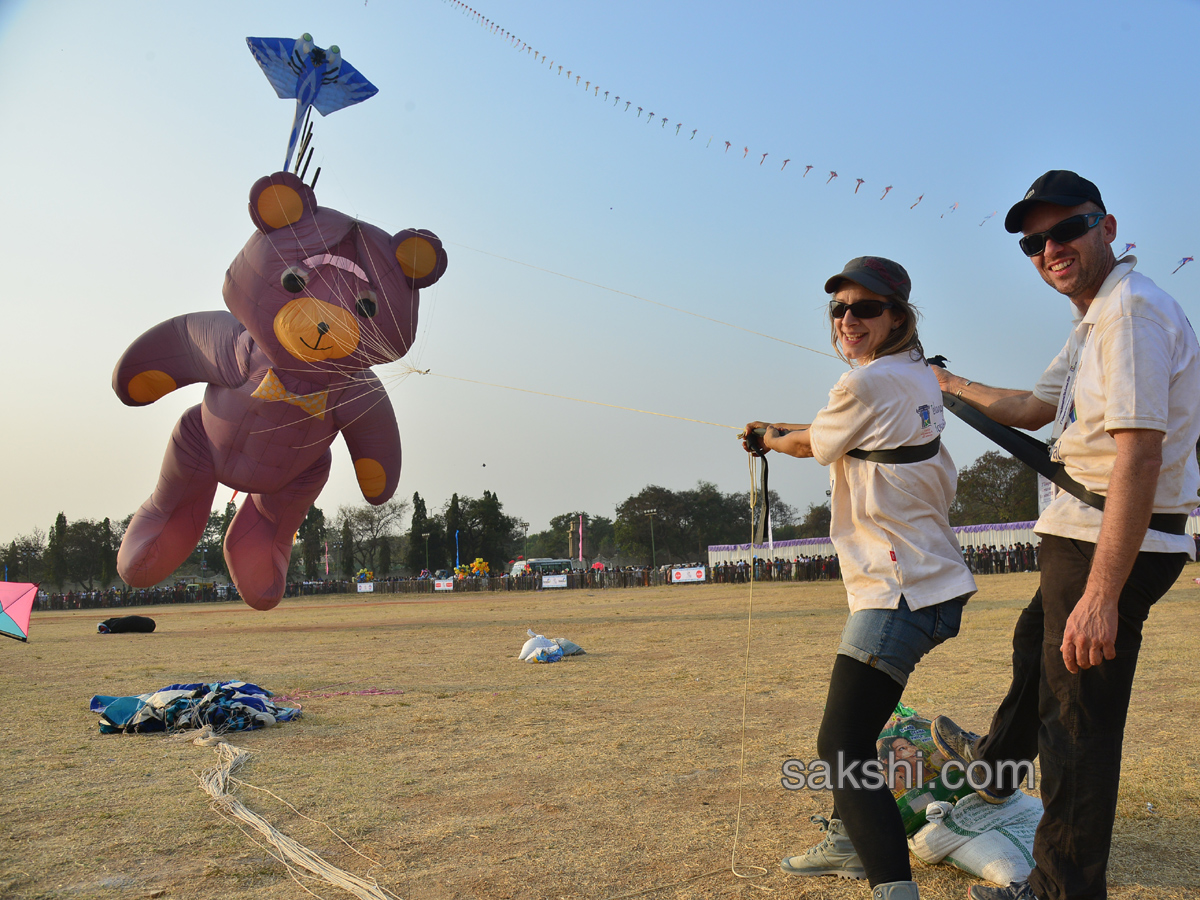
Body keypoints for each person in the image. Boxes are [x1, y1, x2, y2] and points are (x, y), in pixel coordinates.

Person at [929, 170, 1200, 900]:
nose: (1050, 248)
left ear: (1107, 228)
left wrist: (1104, 594)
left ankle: (1061, 890)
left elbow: (1140, 451)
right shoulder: (1094, 321)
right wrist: (945, 384)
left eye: (1066, 230)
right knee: (1034, 645)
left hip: (1109, 540)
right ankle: (994, 765)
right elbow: (1027, 405)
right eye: (1033, 241)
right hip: (1081, 532)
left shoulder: (1131, 317)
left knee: (1077, 729)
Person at [744, 256, 976, 900]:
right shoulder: (915, 376)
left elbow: (813, 443)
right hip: (934, 582)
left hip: (898, 589)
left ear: (897, 317)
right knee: (856, 733)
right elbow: (835, 434)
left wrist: (767, 435)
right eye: (840, 309)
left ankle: (887, 883)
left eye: (866, 308)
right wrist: (781, 431)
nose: (849, 319)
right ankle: (857, 836)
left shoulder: (864, 385)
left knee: (842, 743)